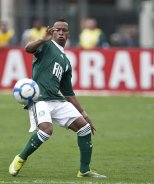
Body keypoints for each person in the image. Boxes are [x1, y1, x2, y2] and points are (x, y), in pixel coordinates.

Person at [8, 19, 107, 178]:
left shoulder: (66, 62)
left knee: (84, 128)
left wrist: (84, 113)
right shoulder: (45, 45)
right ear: (52, 32)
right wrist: (42, 38)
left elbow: (68, 92)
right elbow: (27, 48)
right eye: (57, 29)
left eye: (64, 30)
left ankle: (84, 170)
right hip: (39, 99)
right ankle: (20, 158)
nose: (61, 32)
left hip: (57, 100)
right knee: (46, 131)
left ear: (68, 34)